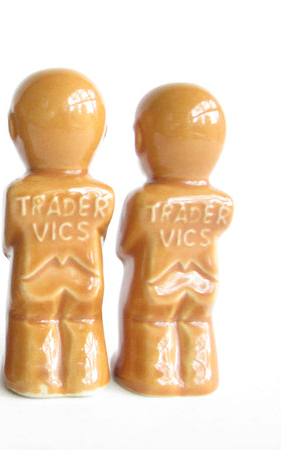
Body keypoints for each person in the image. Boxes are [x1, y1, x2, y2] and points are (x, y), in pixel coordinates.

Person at [114, 83, 233, 395]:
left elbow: (125, 249)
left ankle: (150, 376)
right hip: (204, 285)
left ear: (141, 139)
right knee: (197, 325)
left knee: (152, 327)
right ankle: (199, 376)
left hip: (154, 287)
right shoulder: (221, 203)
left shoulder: (144, 203)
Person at [4, 69, 114, 396]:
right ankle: (88, 376)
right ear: (102, 133)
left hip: (33, 281)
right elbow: (110, 241)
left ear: (14, 130)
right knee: (84, 323)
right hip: (87, 280)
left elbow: (9, 245)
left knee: (35, 326)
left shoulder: (20, 195)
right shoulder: (102, 196)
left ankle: (33, 378)